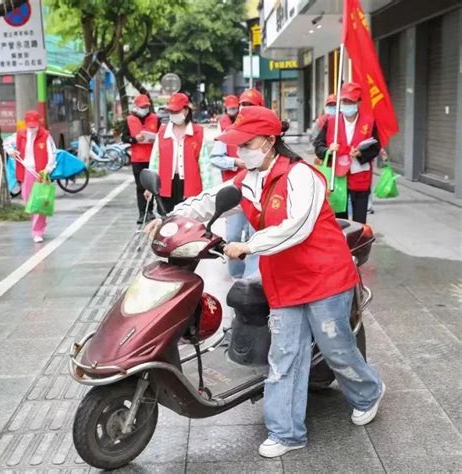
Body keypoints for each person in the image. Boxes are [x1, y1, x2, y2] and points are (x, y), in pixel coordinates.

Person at [146, 106, 385, 458]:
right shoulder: (245, 179)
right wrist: (173, 219)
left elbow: (296, 227)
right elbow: (208, 200)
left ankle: (368, 392)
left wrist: (250, 245)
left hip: (324, 276)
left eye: (248, 143)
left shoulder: (303, 176)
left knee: (336, 348)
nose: (241, 150)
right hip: (284, 281)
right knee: (285, 354)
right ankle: (286, 433)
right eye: (238, 144)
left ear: (270, 141)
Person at [313, 82, 381, 223]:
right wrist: (328, 150)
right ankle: (342, 244)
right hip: (338, 177)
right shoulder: (331, 122)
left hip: (360, 175)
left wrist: (361, 154)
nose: (347, 104)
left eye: (351, 101)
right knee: (340, 220)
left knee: (359, 221)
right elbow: (318, 146)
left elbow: (376, 148)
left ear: (359, 102)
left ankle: (358, 244)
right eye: (344, 101)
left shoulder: (369, 122)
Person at [210, 94, 258, 279]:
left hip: (259, 194)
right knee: (234, 234)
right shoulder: (228, 131)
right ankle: (237, 275)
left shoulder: (268, 135)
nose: (245, 109)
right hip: (234, 191)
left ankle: (252, 279)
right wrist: (236, 162)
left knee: (257, 240)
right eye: (242, 105)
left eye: (250, 105)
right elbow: (215, 158)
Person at [148, 93, 217, 213]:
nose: (173, 115)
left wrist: (208, 192)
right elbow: (155, 161)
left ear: (186, 110)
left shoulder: (197, 133)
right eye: (171, 112)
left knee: (188, 222)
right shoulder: (163, 132)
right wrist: (149, 187)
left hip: (190, 185)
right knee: (166, 221)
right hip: (166, 186)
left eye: (176, 111)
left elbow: (205, 165)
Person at [3, 110, 56, 243]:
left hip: (40, 173)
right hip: (26, 172)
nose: (32, 128)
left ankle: (37, 231)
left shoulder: (45, 136)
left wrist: (48, 169)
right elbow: (7, 142)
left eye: (34, 124)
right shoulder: (20, 135)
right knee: (29, 202)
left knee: (39, 200)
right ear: (26, 123)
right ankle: (38, 225)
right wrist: (10, 151)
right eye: (30, 125)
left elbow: (52, 153)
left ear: (38, 123)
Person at [122, 94, 160, 224]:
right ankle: (142, 212)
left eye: (147, 106)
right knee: (140, 187)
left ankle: (150, 211)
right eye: (143, 106)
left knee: (152, 186)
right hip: (138, 159)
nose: (145, 108)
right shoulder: (129, 120)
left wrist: (154, 138)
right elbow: (124, 137)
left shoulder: (155, 119)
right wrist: (134, 139)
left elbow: (161, 135)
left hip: (153, 158)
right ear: (137, 107)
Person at [310, 94, 337, 165]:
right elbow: (314, 139)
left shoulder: (341, 120)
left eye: (334, 105)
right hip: (323, 154)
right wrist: (325, 150)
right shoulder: (320, 121)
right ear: (326, 107)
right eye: (330, 106)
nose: (332, 108)